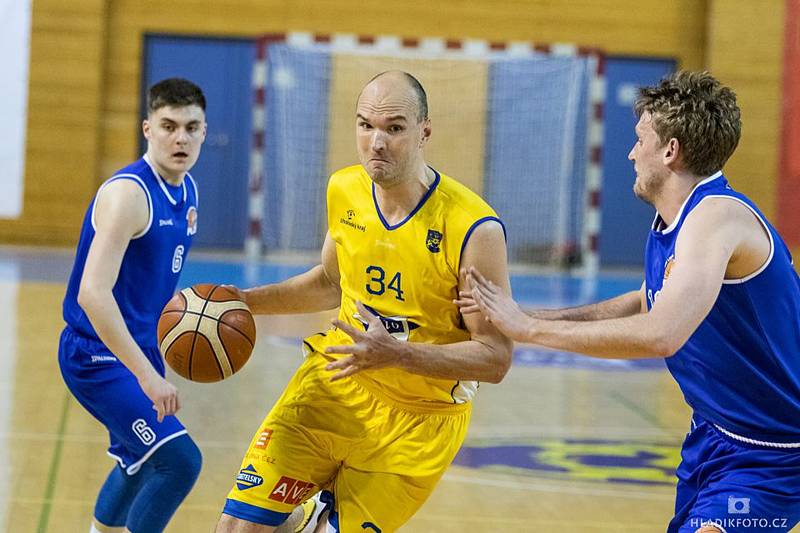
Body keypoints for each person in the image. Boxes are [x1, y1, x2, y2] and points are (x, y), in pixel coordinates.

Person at [459, 70, 800, 533]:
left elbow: (661, 333)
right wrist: (528, 314)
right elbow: (646, 302)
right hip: (714, 434)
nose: (631, 152)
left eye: (641, 139)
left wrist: (529, 331)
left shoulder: (715, 218)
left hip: (774, 451)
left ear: (671, 150)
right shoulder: (675, 219)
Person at [216, 70, 513, 533]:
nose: (377, 142)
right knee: (237, 529)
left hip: (419, 423)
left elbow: (495, 359)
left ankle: (315, 517)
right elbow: (332, 283)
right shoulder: (344, 189)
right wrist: (247, 300)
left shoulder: (475, 228)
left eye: (394, 128)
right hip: (333, 384)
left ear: (424, 132)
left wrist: (397, 354)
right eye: (365, 125)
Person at [59, 78, 206, 533]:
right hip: (94, 356)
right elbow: (92, 293)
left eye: (191, 127)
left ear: (204, 131)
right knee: (179, 462)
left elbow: (152, 282)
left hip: (139, 350)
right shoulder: (128, 195)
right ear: (147, 128)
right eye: (168, 126)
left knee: (137, 461)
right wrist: (147, 376)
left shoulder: (188, 192)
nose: (180, 138)